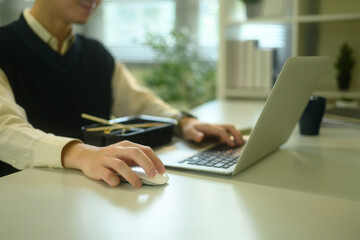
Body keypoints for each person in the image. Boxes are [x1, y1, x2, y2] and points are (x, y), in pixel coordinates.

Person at [0, 0, 243, 187]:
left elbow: (137, 101)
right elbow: (5, 130)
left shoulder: (96, 54)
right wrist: (81, 154)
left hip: (92, 194)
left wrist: (184, 122)